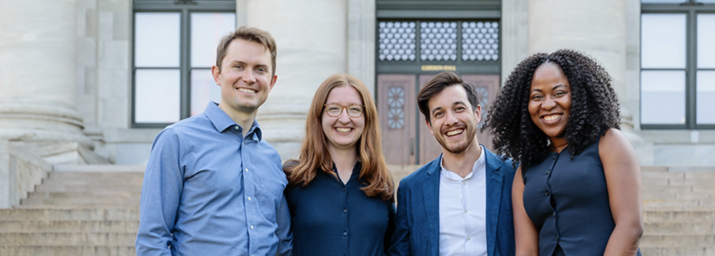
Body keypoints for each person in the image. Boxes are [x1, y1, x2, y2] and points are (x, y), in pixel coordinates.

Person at [136, 26, 292, 256]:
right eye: (238, 66)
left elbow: (283, 243)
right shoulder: (176, 141)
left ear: (272, 81)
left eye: (260, 69)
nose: (249, 78)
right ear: (217, 74)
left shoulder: (271, 158)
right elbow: (152, 240)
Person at [485, 49, 643, 256]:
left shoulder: (609, 143)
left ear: (579, 95)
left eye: (559, 93)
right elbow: (526, 251)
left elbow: (630, 227)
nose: (548, 104)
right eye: (537, 97)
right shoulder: (524, 172)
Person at [390, 71, 516, 256]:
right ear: (430, 126)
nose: (451, 121)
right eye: (439, 113)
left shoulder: (513, 175)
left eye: (458, 108)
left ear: (477, 113)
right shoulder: (411, 189)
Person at [283, 74, 396, 255]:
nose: (344, 118)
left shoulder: (381, 182)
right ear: (319, 115)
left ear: (367, 117)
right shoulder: (292, 179)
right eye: (334, 109)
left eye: (354, 109)